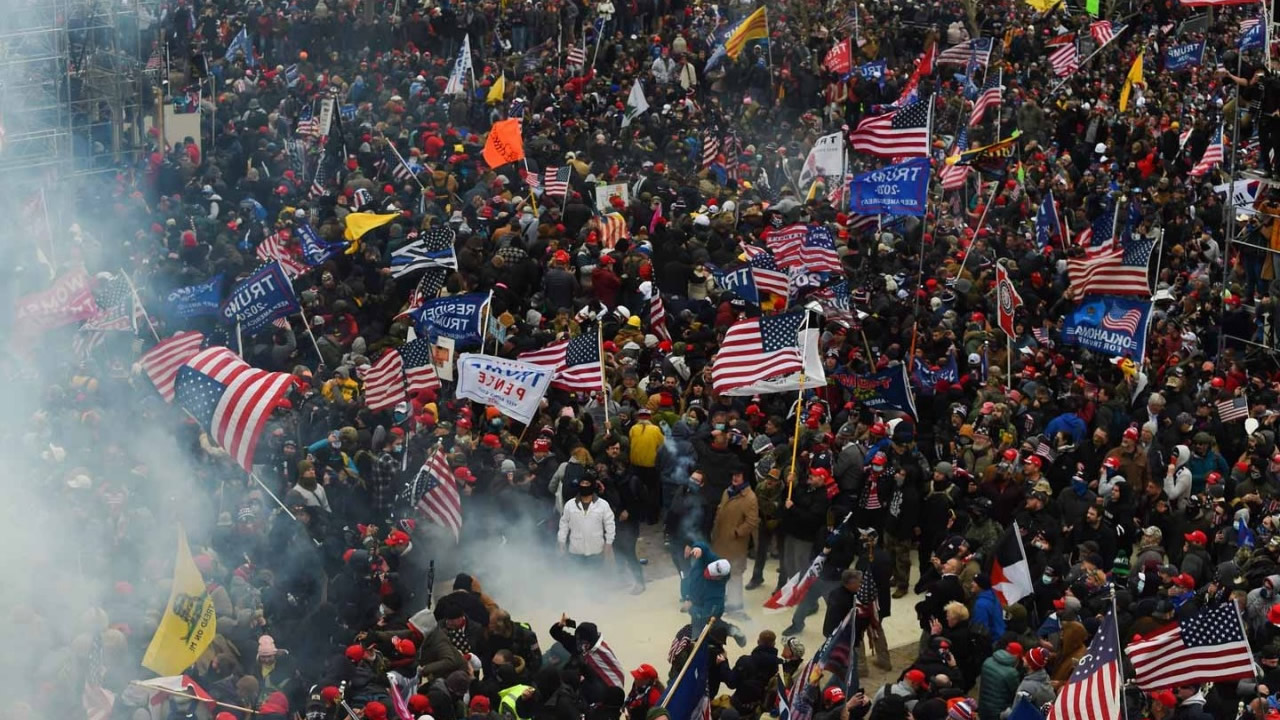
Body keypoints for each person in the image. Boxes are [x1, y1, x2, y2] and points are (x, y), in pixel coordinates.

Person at [710, 466, 759, 619]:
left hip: (735, 545)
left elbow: (752, 522)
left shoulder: (750, 497)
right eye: (733, 475)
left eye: (738, 475)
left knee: (735, 575)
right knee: (721, 573)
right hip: (720, 541)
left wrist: (737, 532)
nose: (735, 478)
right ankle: (723, 602)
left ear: (745, 477)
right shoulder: (728, 491)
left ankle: (736, 607)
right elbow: (720, 509)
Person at [557, 470, 616, 568]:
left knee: (594, 579)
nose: (584, 486)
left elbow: (610, 525)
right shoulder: (570, 505)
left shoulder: (603, 505)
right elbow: (564, 525)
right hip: (575, 551)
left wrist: (608, 544)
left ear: (592, 485)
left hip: (596, 550)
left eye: (587, 483)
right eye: (582, 483)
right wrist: (561, 542)